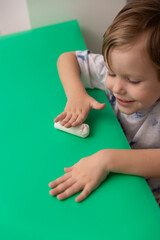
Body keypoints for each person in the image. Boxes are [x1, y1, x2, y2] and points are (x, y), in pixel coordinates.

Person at [49, 0, 160, 206]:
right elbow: (67, 58)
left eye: (133, 80)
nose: (116, 87)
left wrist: (107, 159)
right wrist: (76, 95)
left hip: (148, 203)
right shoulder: (123, 67)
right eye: (110, 72)